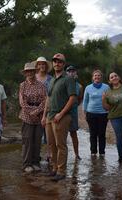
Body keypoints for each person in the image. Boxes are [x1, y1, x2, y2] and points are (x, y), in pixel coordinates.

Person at [41, 53, 76, 182]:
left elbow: (72, 98)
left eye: (60, 62)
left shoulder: (68, 79)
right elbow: (48, 98)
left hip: (62, 116)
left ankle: (61, 171)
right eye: (55, 61)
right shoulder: (51, 80)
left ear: (63, 64)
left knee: (60, 145)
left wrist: (61, 114)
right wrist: (44, 116)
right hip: (50, 116)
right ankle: (55, 168)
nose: (57, 63)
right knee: (51, 144)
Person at [19, 62, 46, 173]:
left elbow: (45, 100)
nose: (29, 73)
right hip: (26, 116)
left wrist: (37, 112)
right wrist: (31, 113)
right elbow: (22, 103)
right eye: (27, 71)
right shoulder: (22, 85)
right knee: (27, 140)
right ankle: (26, 164)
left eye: (31, 71)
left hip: (39, 116)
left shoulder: (41, 85)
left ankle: (35, 162)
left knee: (37, 140)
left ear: (35, 72)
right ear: (25, 73)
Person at [83, 70, 109, 157]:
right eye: (95, 75)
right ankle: (93, 152)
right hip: (91, 113)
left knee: (102, 133)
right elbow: (85, 100)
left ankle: (102, 152)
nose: (97, 77)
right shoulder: (88, 88)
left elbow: (109, 99)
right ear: (93, 77)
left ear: (101, 77)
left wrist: (109, 109)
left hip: (103, 113)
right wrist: (84, 111)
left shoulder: (106, 87)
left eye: (99, 75)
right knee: (93, 134)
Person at [34, 56, 53, 161]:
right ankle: (36, 155)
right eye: (40, 64)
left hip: (47, 108)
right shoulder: (33, 77)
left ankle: (49, 154)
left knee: (48, 134)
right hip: (34, 108)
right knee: (36, 134)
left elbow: (50, 95)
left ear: (46, 66)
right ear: (37, 66)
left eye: (43, 64)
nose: (42, 66)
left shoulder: (51, 79)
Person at [66, 65, 83, 160]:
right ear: (66, 73)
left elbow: (80, 99)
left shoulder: (80, 86)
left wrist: (74, 105)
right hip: (63, 111)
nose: (71, 73)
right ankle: (61, 154)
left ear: (76, 73)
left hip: (73, 112)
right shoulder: (63, 83)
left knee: (73, 133)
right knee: (61, 134)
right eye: (69, 71)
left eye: (73, 71)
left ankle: (76, 154)